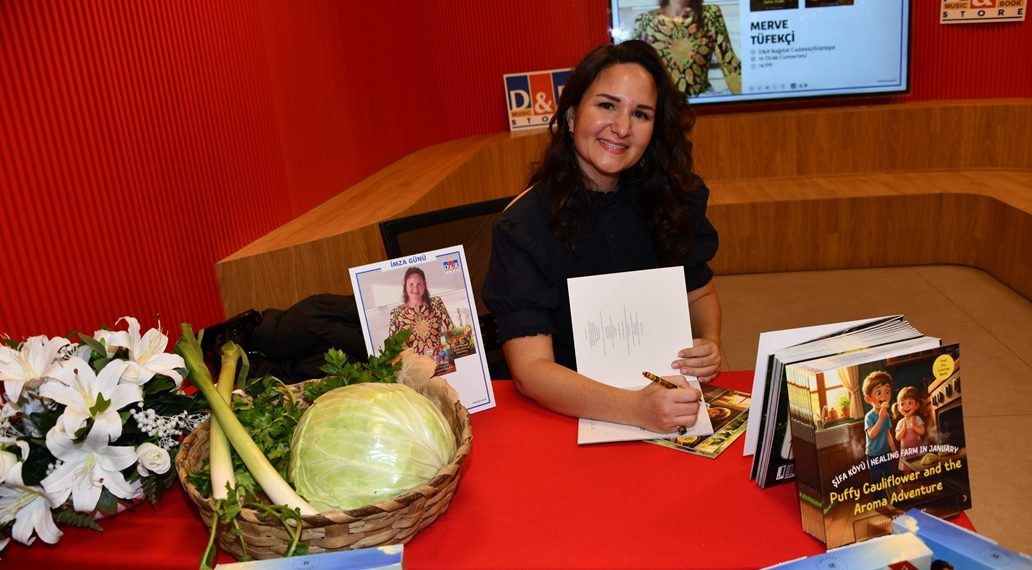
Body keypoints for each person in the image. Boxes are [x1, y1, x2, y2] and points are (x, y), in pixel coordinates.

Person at [481, 40, 721, 435]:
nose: (622, 128)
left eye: (640, 114)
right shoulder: (524, 226)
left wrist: (708, 343)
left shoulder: (672, 200)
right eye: (607, 105)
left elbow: (699, 293)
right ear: (573, 115)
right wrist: (637, 409)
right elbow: (529, 371)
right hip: (564, 415)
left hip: (662, 401)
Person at [633, 0, 742, 96]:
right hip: (661, 106)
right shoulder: (645, 21)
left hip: (702, 104)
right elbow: (635, 72)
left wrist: (749, 100)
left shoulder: (710, 15)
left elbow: (730, 65)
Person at [388, 267, 454, 357]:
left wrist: (449, 353)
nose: (415, 289)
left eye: (419, 284)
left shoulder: (436, 303)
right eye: (411, 284)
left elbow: (452, 332)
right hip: (413, 368)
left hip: (438, 363)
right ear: (405, 286)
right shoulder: (396, 313)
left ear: (424, 285)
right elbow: (392, 349)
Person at [892, 386, 926, 473]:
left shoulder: (917, 418)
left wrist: (914, 427)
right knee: (907, 470)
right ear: (899, 407)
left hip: (917, 448)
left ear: (917, 405)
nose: (906, 407)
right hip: (906, 451)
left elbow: (922, 431)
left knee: (920, 467)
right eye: (903, 404)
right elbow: (897, 437)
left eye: (910, 403)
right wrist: (903, 429)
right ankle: (909, 484)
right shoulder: (900, 422)